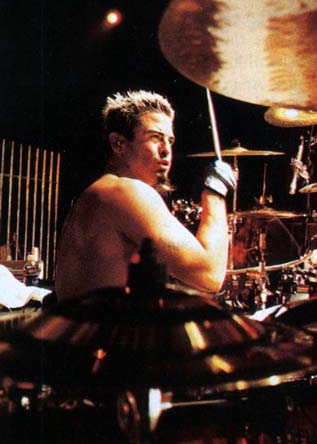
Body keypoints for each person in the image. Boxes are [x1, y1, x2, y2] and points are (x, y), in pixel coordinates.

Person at [55, 89, 236, 302]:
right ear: (119, 143)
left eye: (170, 140)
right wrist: (215, 191)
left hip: (88, 322)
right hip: (107, 324)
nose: (166, 150)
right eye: (155, 137)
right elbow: (210, 275)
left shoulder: (97, 192)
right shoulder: (125, 191)